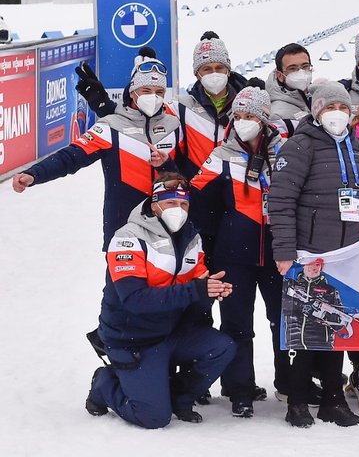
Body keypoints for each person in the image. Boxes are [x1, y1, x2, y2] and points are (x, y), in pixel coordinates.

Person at [268, 81, 359, 428]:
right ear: (317, 111)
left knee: (334, 327)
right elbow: (281, 201)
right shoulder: (300, 146)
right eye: (330, 108)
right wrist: (285, 252)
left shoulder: (357, 145)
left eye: (343, 108)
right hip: (308, 253)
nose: (337, 114)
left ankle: (333, 399)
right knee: (305, 331)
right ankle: (298, 400)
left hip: (346, 253)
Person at [85, 173, 235, 428]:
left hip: (170, 332)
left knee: (222, 347)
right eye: (170, 204)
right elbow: (134, 300)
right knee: (153, 418)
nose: (179, 210)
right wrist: (195, 290)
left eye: (184, 204)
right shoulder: (128, 238)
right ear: (154, 205)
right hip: (133, 338)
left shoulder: (192, 237)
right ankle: (105, 383)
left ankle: (178, 396)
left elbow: (198, 282)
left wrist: (213, 289)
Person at [12, 53, 181, 247]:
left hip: (169, 228)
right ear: (133, 91)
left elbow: (188, 172)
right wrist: (34, 174)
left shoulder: (174, 125)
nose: (153, 97)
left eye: (159, 92)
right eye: (146, 90)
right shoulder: (111, 126)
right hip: (123, 229)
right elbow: (71, 157)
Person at [190, 87, 288, 417]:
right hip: (234, 256)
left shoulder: (285, 151)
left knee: (283, 322)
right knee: (236, 325)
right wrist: (214, 245)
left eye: (251, 117)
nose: (244, 122)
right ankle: (239, 389)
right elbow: (198, 202)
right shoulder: (221, 155)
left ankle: (288, 383)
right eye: (239, 117)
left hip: (279, 255)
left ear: (264, 119)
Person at [170, 33, 262, 177]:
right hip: (198, 188)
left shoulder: (249, 104)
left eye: (219, 67)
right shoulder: (181, 107)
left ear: (228, 70)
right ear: (197, 74)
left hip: (237, 187)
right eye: (207, 69)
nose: (214, 73)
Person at [266, 42, 313, 124]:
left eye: (305, 66)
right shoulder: (277, 115)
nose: (301, 72)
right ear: (280, 75)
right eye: (292, 69)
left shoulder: (318, 95)